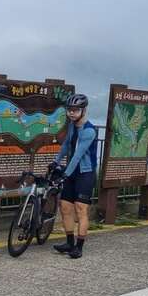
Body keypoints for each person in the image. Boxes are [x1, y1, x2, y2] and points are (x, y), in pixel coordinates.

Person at [50, 93, 98, 260]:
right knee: (64, 207)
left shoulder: (89, 131)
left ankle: (79, 246)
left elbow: (77, 155)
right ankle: (69, 242)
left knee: (80, 209)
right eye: (69, 110)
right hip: (71, 171)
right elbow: (66, 145)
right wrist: (55, 161)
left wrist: (64, 175)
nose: (71, 113)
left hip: (85, 173)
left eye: (75, 110)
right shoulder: (72, 126)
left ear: (83, 110)